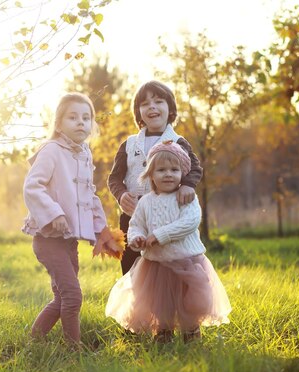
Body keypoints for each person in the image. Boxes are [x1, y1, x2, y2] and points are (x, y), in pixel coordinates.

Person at [105, 141, 231, 343]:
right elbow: (136, 224)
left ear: (182, 173)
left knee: (189, 303)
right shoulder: (146, 201)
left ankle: (191, 333)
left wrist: (161, 235)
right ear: (151, 175)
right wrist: (137, 238)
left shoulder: (186, 197)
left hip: (186, 262)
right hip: (156, 265)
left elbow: (189, 222)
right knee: (160, 303)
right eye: (161, 170)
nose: (168, 174)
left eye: (174, 169)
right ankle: (163, 334)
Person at [22, 92, 122, 345]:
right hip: (48, 239)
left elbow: (89, 196)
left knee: (62, 297)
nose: (81, 123)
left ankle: (35, 338)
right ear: (58, 124)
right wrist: (53, 212)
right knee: (73, 296)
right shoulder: (51, 151)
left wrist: (102, 231)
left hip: (68, 241)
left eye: (86, 118)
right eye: (73, 117)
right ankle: (73, 349)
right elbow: (33, 186)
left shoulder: (83, 154)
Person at [107, 80, 203, 275]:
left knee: (166, 269)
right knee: (131, 269)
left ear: (170, 109)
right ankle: (136, 305)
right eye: (145, 104)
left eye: (158, 101)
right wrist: (121, 194)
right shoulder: (129, 144)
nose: (152, 106)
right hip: (133, 216)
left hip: (167, 215)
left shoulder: (178, 142)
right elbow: (114, 178)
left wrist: (187, 185)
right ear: (138, 112)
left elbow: (194, 168)